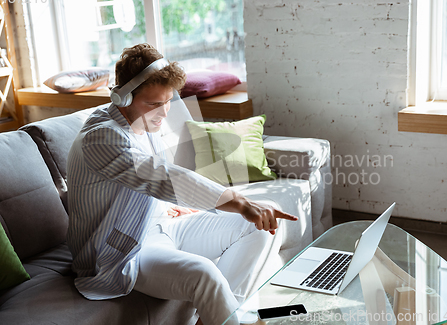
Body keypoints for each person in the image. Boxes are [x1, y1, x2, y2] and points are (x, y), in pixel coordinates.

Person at [66, 43, 298, 325]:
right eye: (154, 104)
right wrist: (240, 202)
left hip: (162, 225)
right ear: (122, 97)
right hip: (123, 250)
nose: (164, 113)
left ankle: (222, 316)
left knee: (265, 222)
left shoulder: (142, 123)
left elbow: (143, 186)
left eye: (168, 101)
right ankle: (232, 318)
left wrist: (168, 207)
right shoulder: (102, 137)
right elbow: (161, 175)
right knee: (204, 273)